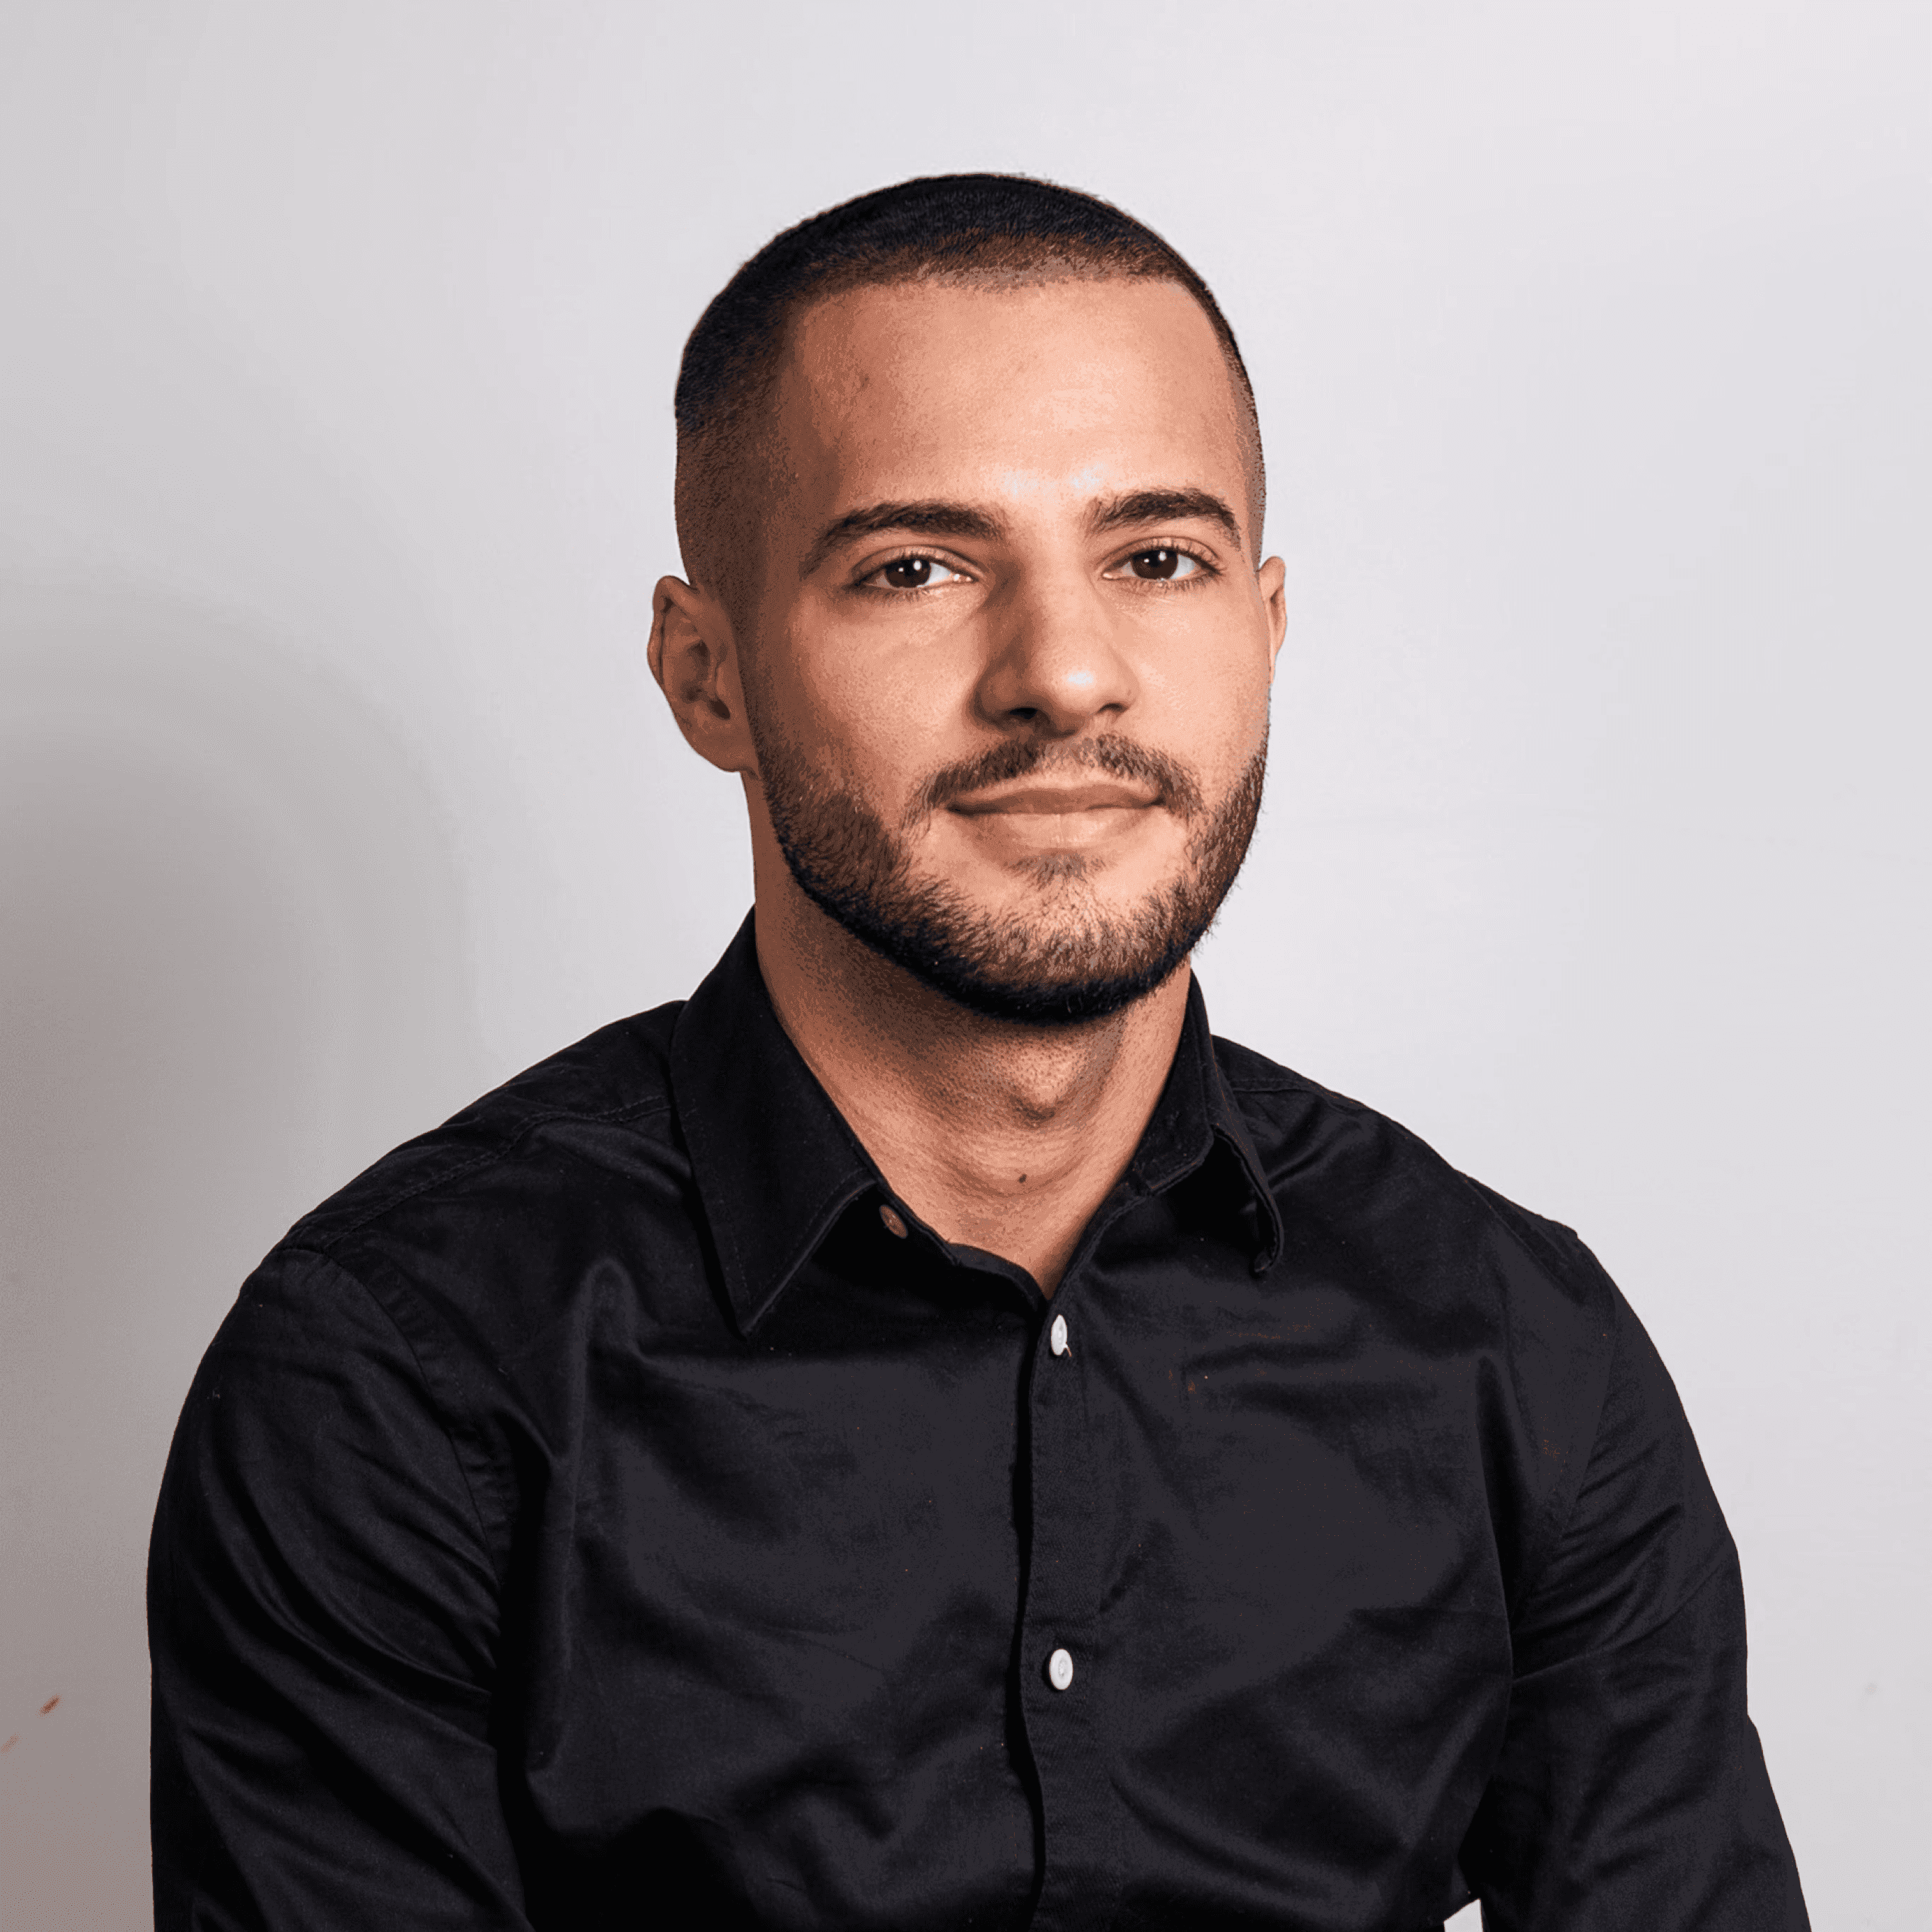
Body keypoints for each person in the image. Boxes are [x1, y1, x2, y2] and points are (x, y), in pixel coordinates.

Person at [148, 173, 1808, 1931]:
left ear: (1264, 631)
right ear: (707, 675)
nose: (1065, 673)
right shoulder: (399, 1376)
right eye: (916, 567)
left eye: (1155, 558)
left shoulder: (1514, 1349)